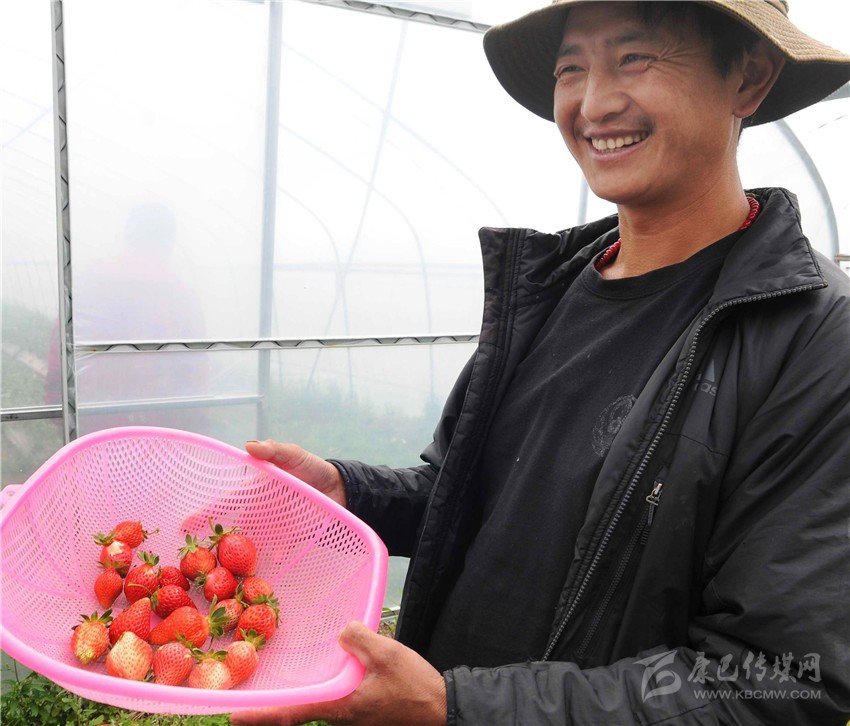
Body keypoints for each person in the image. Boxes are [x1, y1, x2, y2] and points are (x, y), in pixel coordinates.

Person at [232, 1, 850, 724]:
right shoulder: (551, 288)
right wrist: (348, 492)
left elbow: (773, 681)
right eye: (570, 69)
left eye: (635, 58)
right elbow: (471, 498)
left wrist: (456, 706)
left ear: (748, 79)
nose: (594, 103)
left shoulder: (813, 338)